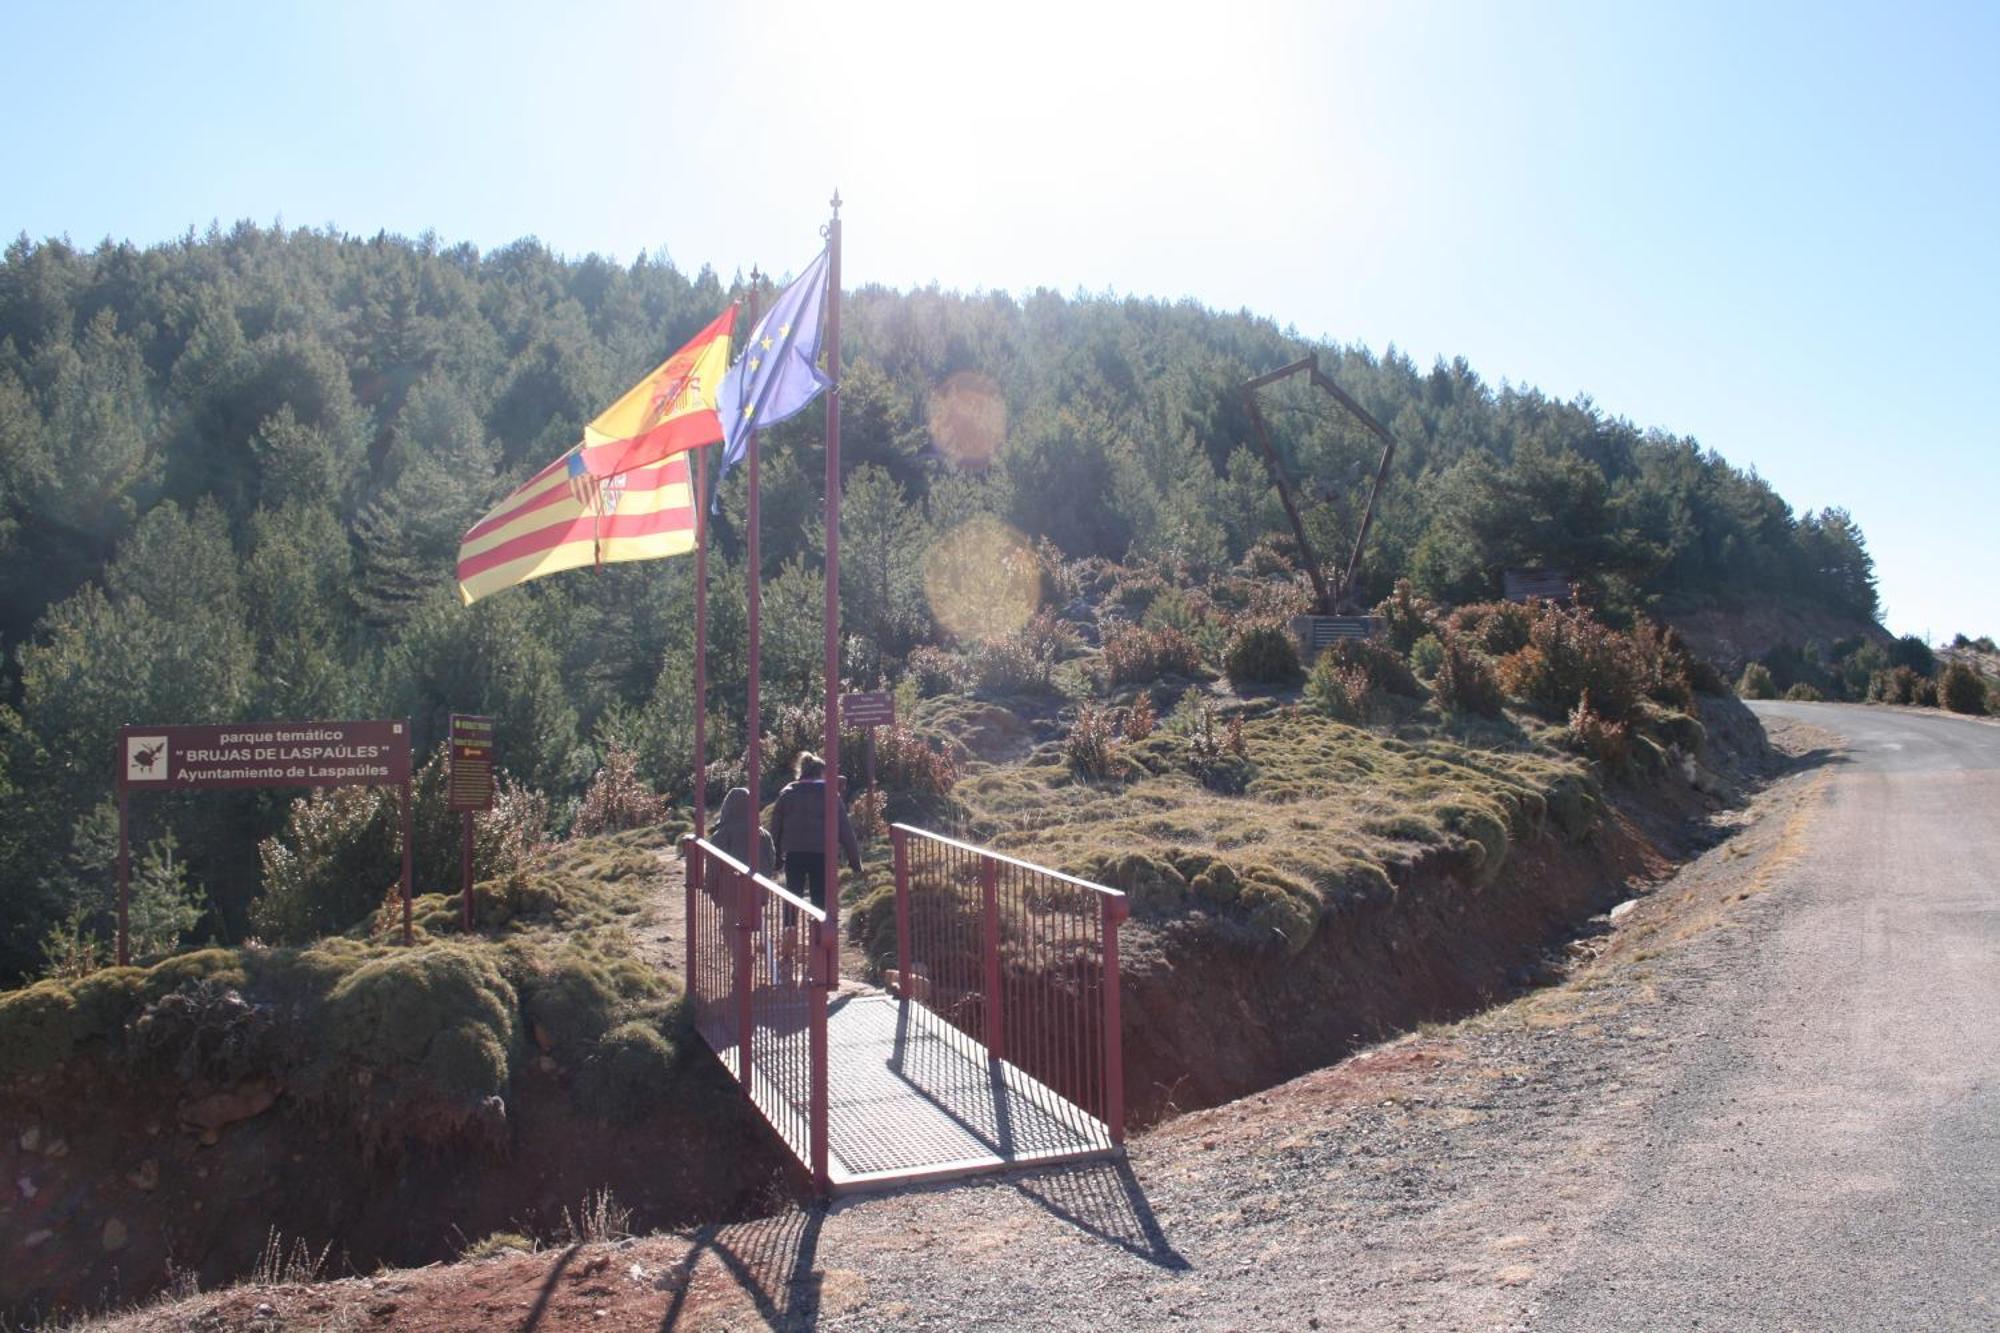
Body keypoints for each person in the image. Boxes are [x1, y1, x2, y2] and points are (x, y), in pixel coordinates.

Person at [767, 751, 863, 911]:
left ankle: (789, 930)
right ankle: (819, 933)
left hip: (794, 852)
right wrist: (855, 861)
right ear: (821, 773)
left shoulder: (787, 794)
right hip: (822, 853)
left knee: (792, 895)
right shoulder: (831, 795)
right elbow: (845, 830)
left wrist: (776, 856)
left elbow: (775, 828)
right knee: (820, 898)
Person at [708, 786, 775, 875]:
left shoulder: (721, 835)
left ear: (727, 806)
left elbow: (713, 867)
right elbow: (771, 861)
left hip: (730, 886)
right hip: (759, 886)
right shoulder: (764, 835)